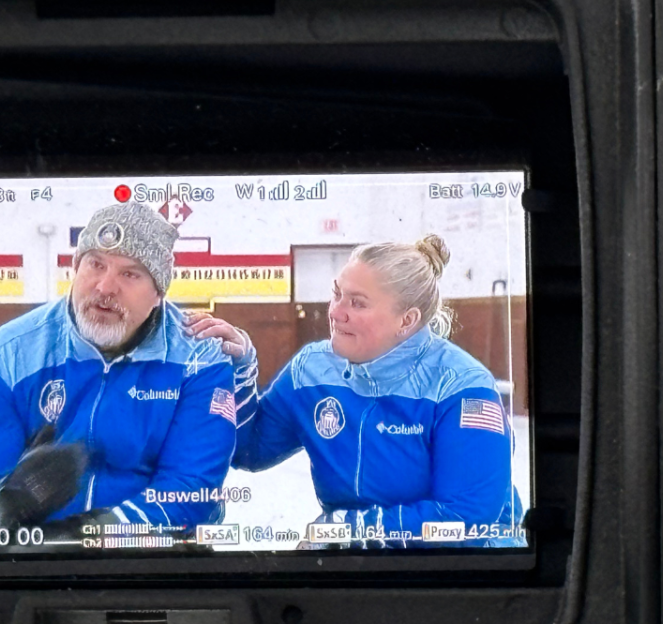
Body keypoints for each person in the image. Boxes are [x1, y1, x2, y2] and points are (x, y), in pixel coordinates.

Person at [187, 235, 524, 548]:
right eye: (337, 294)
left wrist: (347, 529)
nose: (335, 311)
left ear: (406, 320)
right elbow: (249, 452)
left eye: (358, 303)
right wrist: (238, 371)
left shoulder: (462, 387)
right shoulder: (312, 370)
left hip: (470, 573)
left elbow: (467, 518)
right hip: (362, 563)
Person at [0, 201, 238, 539]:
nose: (105, 287)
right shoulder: (5, 356)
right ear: (76, 268)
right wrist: (3, 508)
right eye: (95, 264)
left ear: (159, 292)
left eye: (130, 273)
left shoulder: (200, 358)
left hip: (156, 565)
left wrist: (85, 537)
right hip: (26, 560)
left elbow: (193, 493)